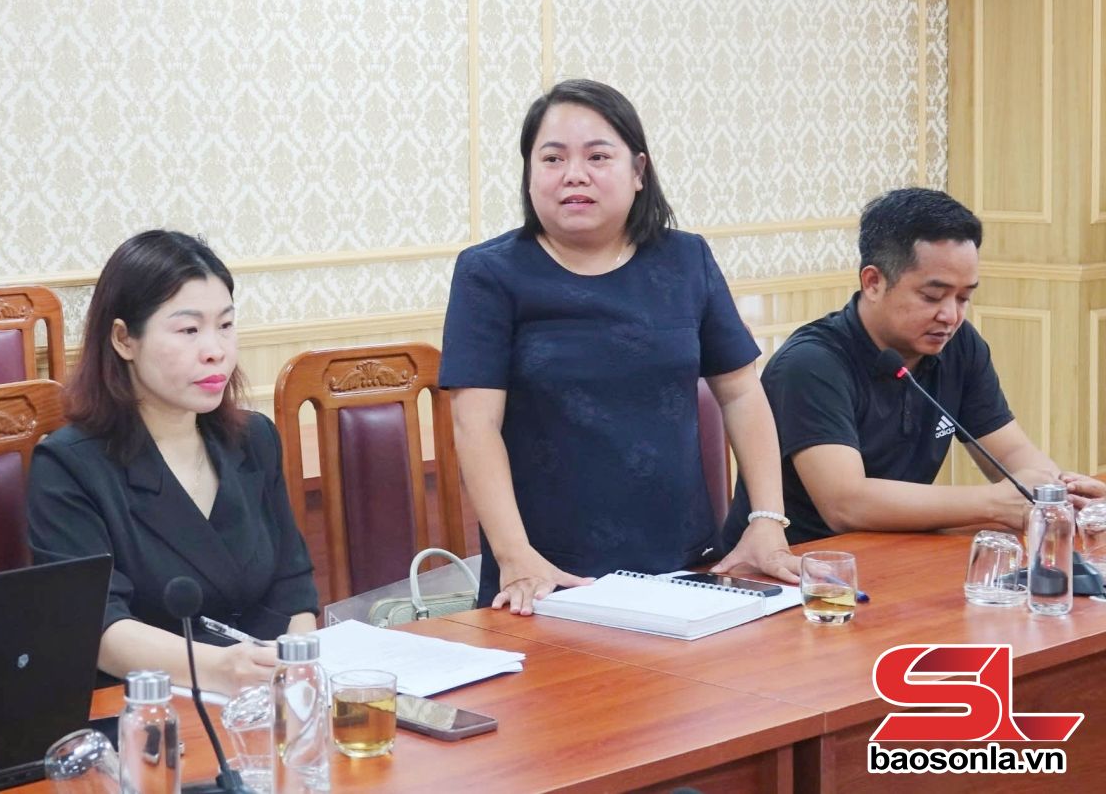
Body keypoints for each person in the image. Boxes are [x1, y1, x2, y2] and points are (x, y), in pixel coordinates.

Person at [441, 79, 800, 616]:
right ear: (529, 174)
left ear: (638, 171)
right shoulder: (490, 274)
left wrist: (767, 520)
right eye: (552, 158)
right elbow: (475, 425)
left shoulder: (686, 260)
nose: (574, 174)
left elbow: (741, 393)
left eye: (597, 156)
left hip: (685, 563)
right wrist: (515, 556)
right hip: (546, 577)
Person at [722, 188, 1106, 549]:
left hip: (900, 549)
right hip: (801, 567)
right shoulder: (810, 364)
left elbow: (1011, 450)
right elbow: (845, 503)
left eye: (964, 297)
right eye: (932, 296)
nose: (950, 315)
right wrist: (994, 503)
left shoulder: (959, 345)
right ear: (873, 282)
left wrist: (1060, 496)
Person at [27, 230, 318, 696]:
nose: (215, 350)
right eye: (189, 330)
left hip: (267, 697)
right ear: (124, 339)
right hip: (147, 706)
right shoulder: (68, 466)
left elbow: (294, 588)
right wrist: (221, 669)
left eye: (225, 325)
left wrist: (297, 671)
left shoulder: (255, 439)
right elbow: (100, 628)